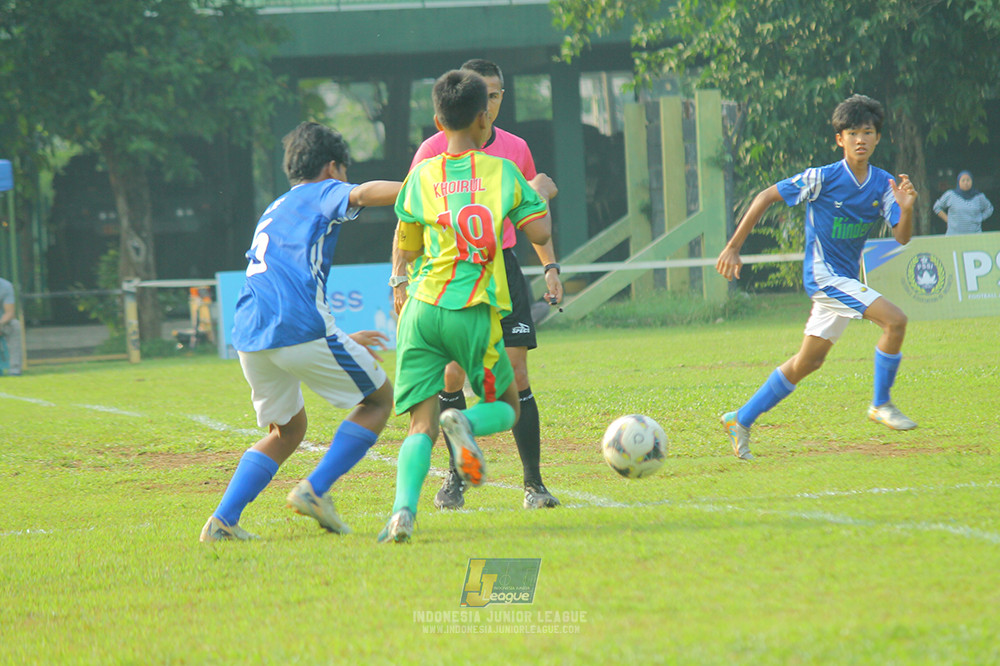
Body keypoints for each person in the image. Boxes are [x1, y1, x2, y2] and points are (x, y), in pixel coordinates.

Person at [200, 122, 402, 542]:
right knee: (379, 400)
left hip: (251, 333)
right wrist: (427, 188)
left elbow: (284, 282)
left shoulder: (277, 207)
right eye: (344, 172)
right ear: (332, 167)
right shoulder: (324, 189)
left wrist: (342, 337)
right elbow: (362, 195)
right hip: (297, 328)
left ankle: (222, 521)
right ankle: (315, 489)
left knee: (287, 431)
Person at [380, 69, 553, 543]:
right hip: (473, 308)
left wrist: (399, 280)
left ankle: (402, 514)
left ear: (438, 121)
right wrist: (539, 196)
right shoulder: (501, 172)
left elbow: (407, 244)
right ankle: (467, 424)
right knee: (506, 407)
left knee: (421, 422)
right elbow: (538, 232)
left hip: (420, 309)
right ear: (483, 120)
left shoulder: (419, 177)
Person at [716, 94, 918, 461]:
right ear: (839, 138)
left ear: (877, 138)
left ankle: (740, 418)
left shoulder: (884, 184)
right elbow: (764, 197)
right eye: (852, 132)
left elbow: (902, 236)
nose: (861, 139)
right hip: (824, 278)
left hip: (844, 282)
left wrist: (906, 210)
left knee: (808, 362)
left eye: (868, 132)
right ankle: (880, 403)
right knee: (896, 321)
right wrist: (733, 247)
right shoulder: (822, 178)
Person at [933, 170, 993, 235]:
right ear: (958, 182)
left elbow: (989, 208)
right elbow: (937, 207)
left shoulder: (979, 196)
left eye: (968, 180)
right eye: (963, 180)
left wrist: (981, 218)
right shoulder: (950, 195)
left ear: (972, 181)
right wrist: (948, 220)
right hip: (954, 236)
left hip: (974, 236)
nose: (966, 183)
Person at [0, 277, 23, 376]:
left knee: (14, 325)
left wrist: (0, 325)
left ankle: (15, 369)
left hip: (1, 322)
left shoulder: (5, 286)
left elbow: (10, 312)